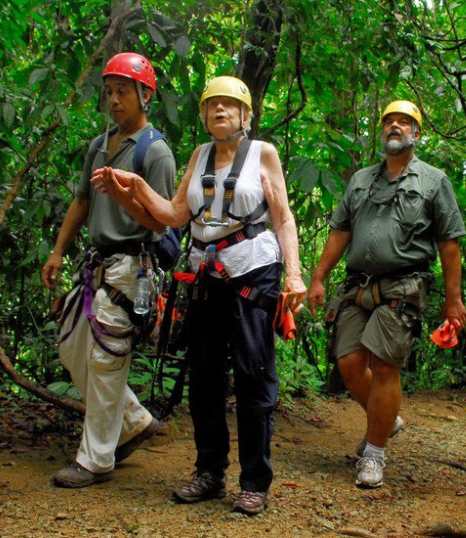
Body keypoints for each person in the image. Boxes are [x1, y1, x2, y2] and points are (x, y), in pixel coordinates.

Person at [91, 76, 307, 515]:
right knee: (204, 377)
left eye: (230, 105)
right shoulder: (199, 155)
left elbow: (282, 218)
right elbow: (173, 214)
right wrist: (133, 189)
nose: (220, 111)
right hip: (206, 276)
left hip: (253, 273)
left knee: (253, 375)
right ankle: (209, 472)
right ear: (204, 116)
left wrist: (295, 275)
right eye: (212, 105)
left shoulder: (263, 153)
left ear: (246, 115)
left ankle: (254, 481)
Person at [307, 100, 466, 489]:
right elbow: (341, 231)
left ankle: (374, 454)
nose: (395, 126)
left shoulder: (434, 181)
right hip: (358, 285)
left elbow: (449, 243)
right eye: (389, 121)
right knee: (349, 362)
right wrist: (318, 276)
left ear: (417, 133)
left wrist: (453, 299)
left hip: (404, 284)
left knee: (383, 366)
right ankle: (387, 418)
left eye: (404, 122)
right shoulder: (361, 180)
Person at [41, 52, 175, 488]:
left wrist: (125, 198)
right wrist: (58, 251)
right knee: (71, 347)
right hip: (96, 263)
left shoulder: (155, 152)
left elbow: (163, 221)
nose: (114, 100)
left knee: (105, 358)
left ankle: (96, 459)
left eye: (123, 91)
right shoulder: (100, 145)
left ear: (145, 95)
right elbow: (82, 199)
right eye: (110, 91)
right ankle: (134, 421)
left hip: (132, 266)